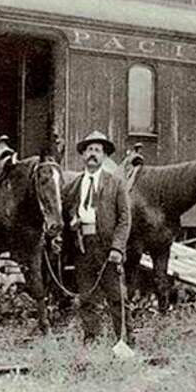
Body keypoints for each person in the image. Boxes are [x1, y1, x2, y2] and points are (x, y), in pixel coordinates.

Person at [64, 131, 132, 344]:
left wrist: (117, 248)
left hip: (108, 249)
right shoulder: (74, 186)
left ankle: (124, 341)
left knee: (116, 297)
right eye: (89, 150)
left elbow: (124, 219)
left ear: (104, 156)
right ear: (83, 155)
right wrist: (72, 220)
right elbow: (65, 212)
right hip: (83, 247)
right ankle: (91, 339)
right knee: (86, 297)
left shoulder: (116, 184)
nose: (92, 154)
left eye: (97, 150)